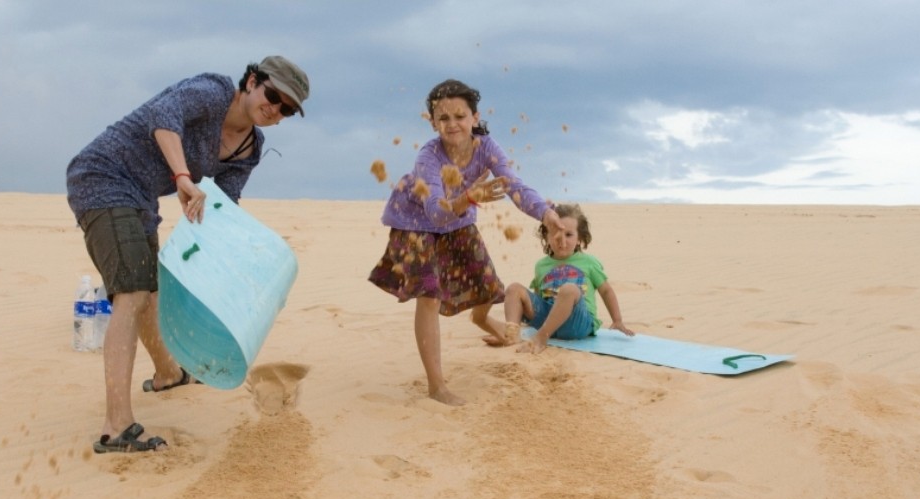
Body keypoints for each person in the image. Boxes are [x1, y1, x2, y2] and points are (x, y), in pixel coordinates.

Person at [66, 55, 310, 453]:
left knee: (153, 287)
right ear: (251, 81)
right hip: (103, 176)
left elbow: (222, 206)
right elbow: (163, 114)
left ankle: (168, 373)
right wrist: (182, 176)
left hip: (142, 197)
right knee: (131, 293)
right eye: (273, 95)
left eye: (287, 109)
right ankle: (116, 426)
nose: (275, 109)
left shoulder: (250, 148)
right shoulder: (213, 92)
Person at [368, 78, 566, 406]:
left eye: (460, 116)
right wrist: (471, 196)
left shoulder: (487, 148)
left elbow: (514, 186)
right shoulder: (428, 157)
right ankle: (436, 386)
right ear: (432, 122)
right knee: (429, 296)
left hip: (458, 218)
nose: (452, 124)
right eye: (443, 118)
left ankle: (480, 318)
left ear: (475, 118)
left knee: (486, 282)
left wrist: (546, 214)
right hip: (415, 224)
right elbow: (434, 212)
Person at [484, 203, 634, 354]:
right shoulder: (541, 266)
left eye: (569, 235)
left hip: (578, 323)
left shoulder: (588, 262)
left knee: (569, 290)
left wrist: (617, 320)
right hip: (549, 320)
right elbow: (538, 297)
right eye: (556, 233)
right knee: (514, 288)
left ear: (579, 238)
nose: (562, 241)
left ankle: (541, 337)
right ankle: (511, 334)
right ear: (546, 236)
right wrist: (526, 316)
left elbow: (606, 291)